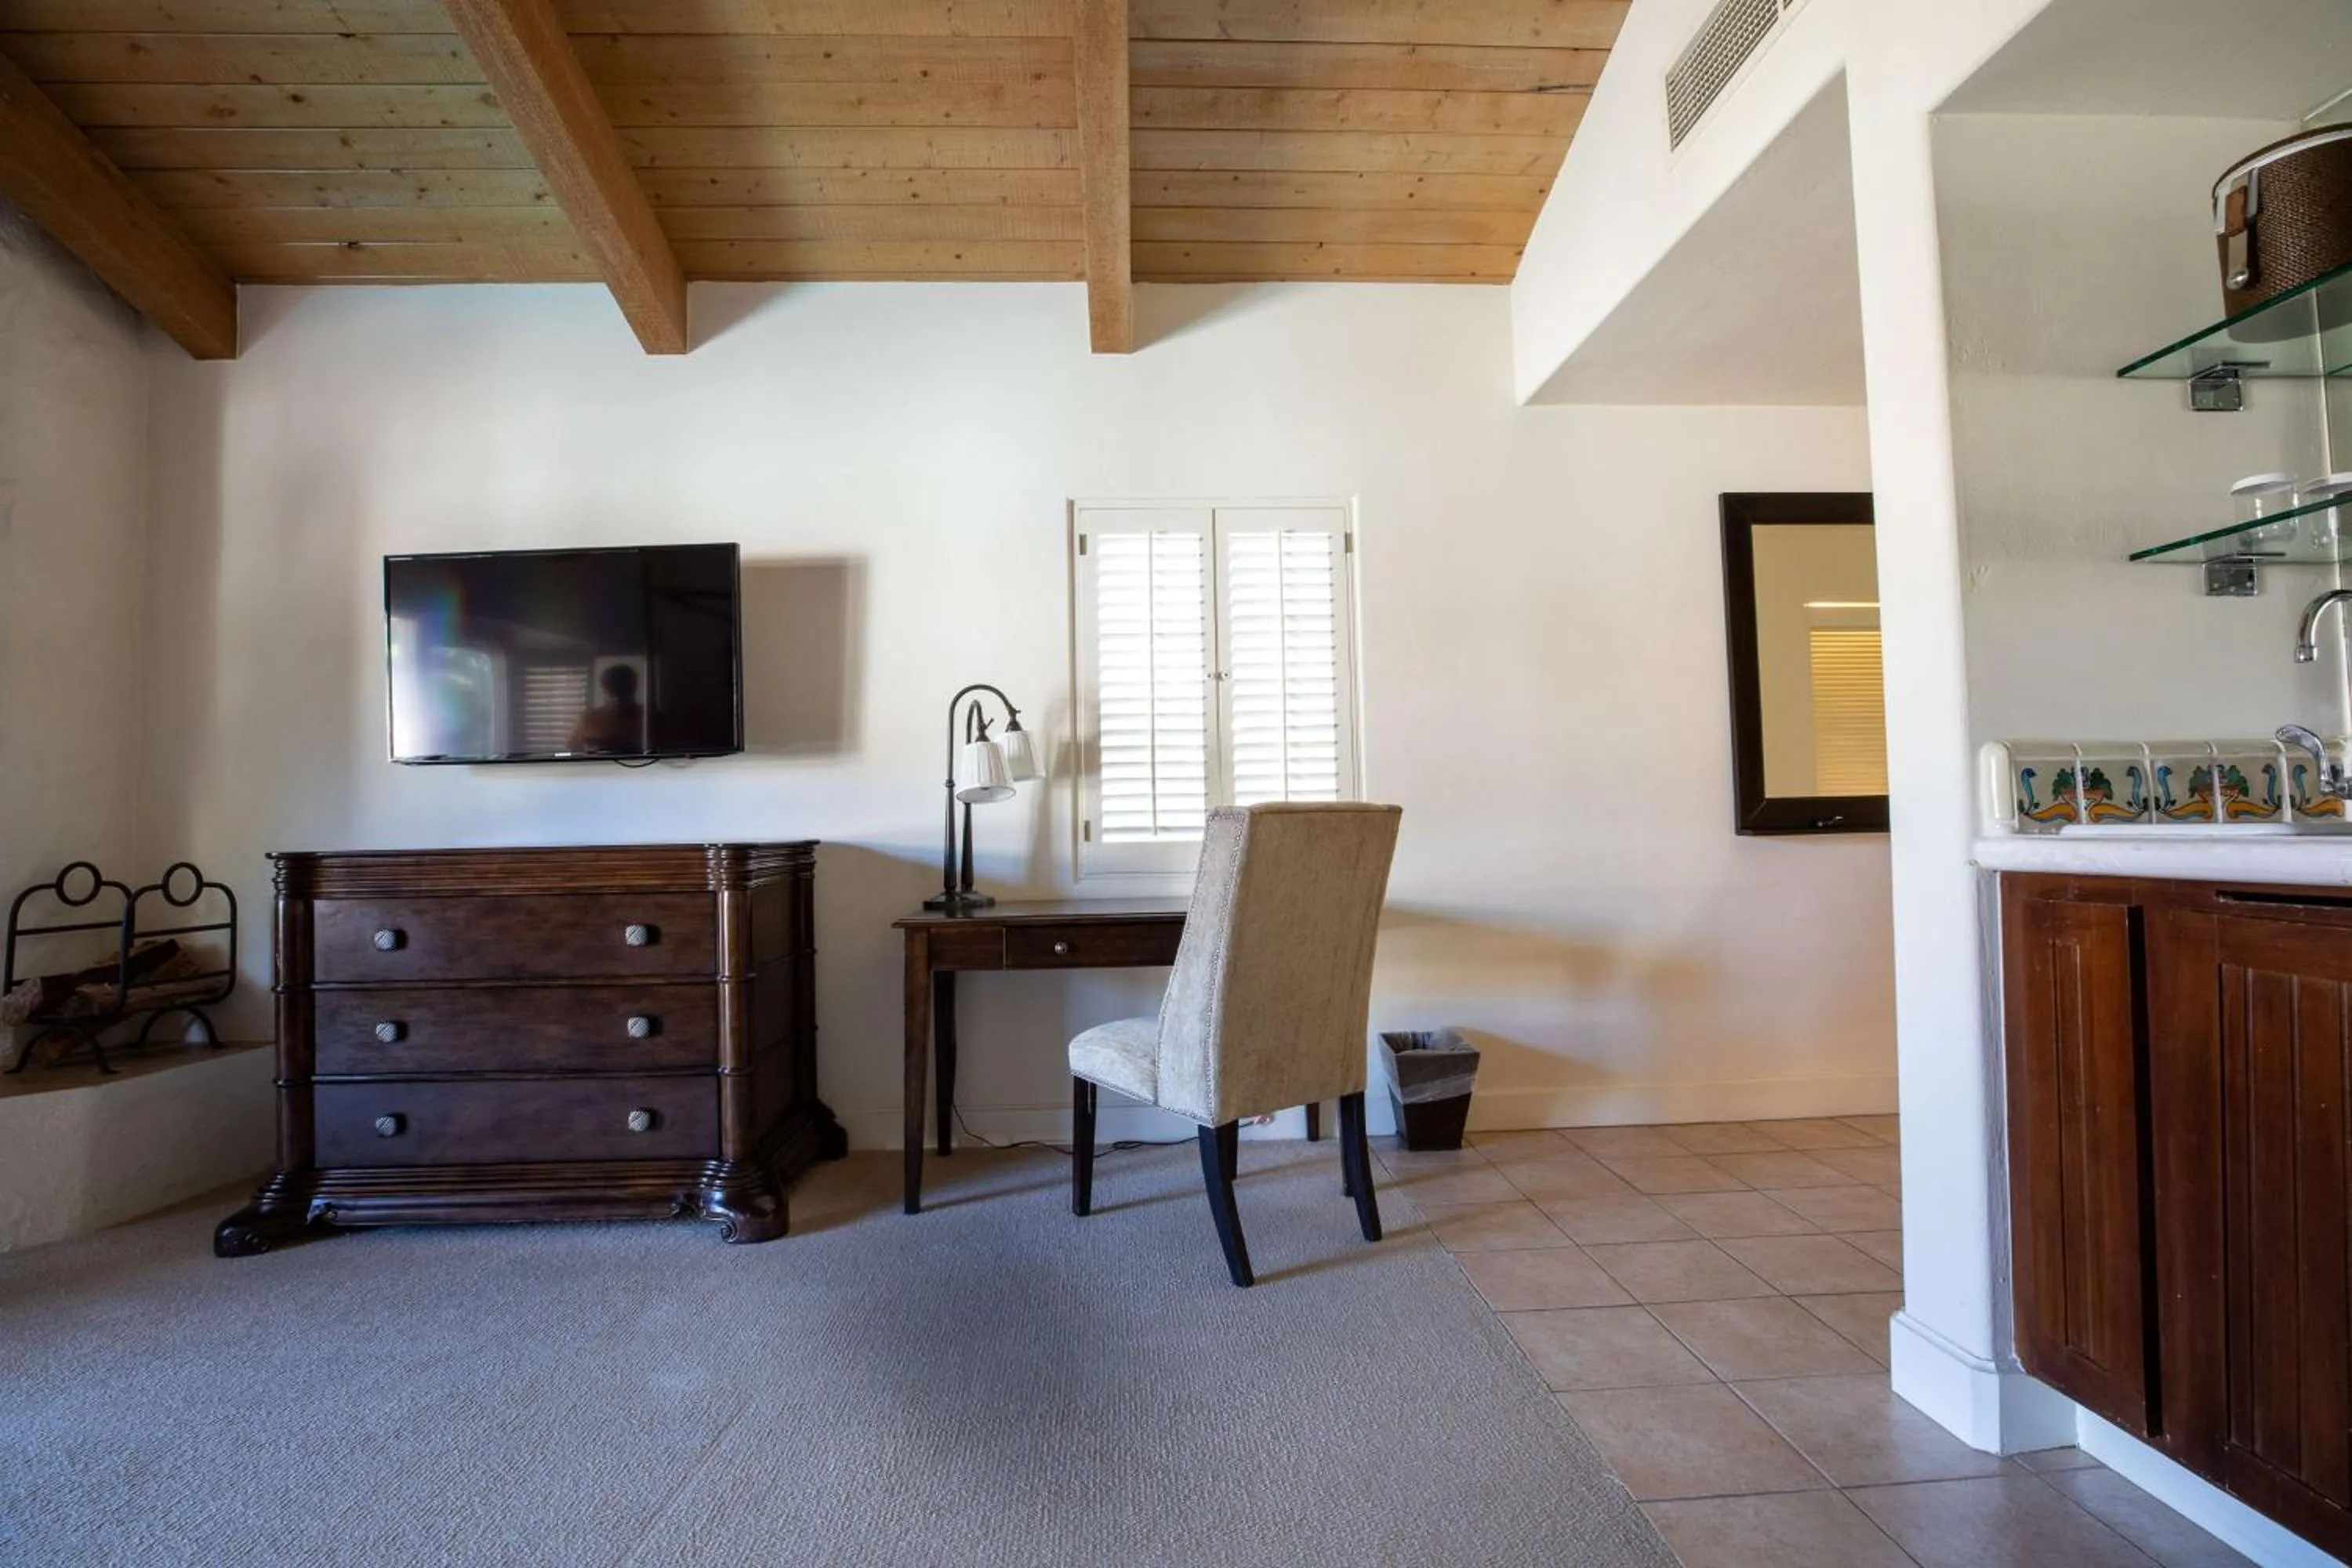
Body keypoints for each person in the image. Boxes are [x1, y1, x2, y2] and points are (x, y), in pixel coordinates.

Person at [568, 662, 645, 753]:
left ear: (633, 687)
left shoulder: (648, 718)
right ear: (605, 690)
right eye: (613, 690)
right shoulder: (590, 718)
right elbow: (574, 750)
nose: (617, 697)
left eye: (623, 690)